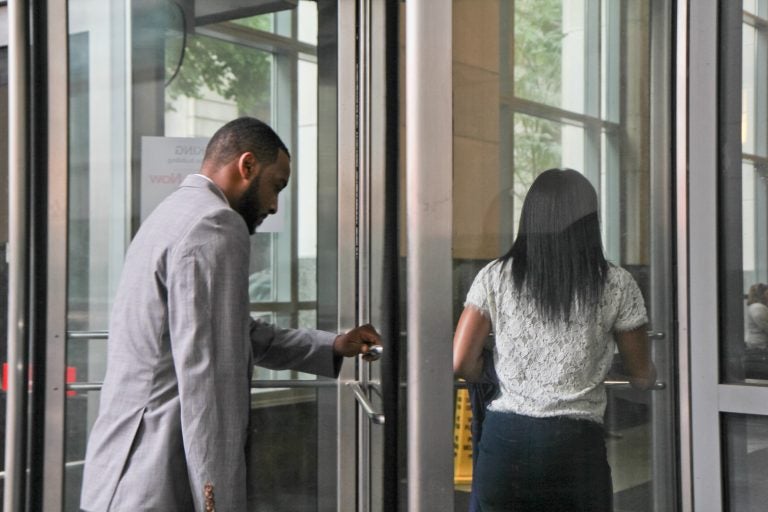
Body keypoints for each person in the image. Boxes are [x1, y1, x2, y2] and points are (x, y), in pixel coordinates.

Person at [80, 117, 381, 511]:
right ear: (247, 166)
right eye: (277, 185)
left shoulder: (171, 213)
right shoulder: (216, 224)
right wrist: (215, 498)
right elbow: (210, 377)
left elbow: (235, 334)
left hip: (118, 475)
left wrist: (335, 344)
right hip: (155, 479)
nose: (274, 205)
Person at [453, 168, 656, 512]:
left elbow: (460, 362)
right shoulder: (616, 283)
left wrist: (490, 371)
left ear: (530, 216)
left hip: (506, 441)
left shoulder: (495, 277)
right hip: (576, 446)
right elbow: (642, 375)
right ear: (589, 220)